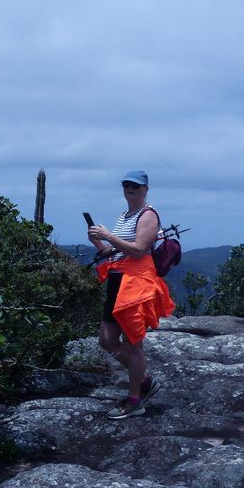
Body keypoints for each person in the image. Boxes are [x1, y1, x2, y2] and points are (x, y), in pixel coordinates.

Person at [87, 169, 175, 420]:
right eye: (126, 184)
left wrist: (109, 236)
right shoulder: (125, 215)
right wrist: (99, 244)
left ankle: (135, 399)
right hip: (118, 279)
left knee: (132, 343)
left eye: (135, 186)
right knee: (106, 339)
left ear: (145, 189)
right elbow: (117, 252)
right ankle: (144, 379)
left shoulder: (148, 215)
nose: (130, 189)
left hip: (136, 284)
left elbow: (138, 251)